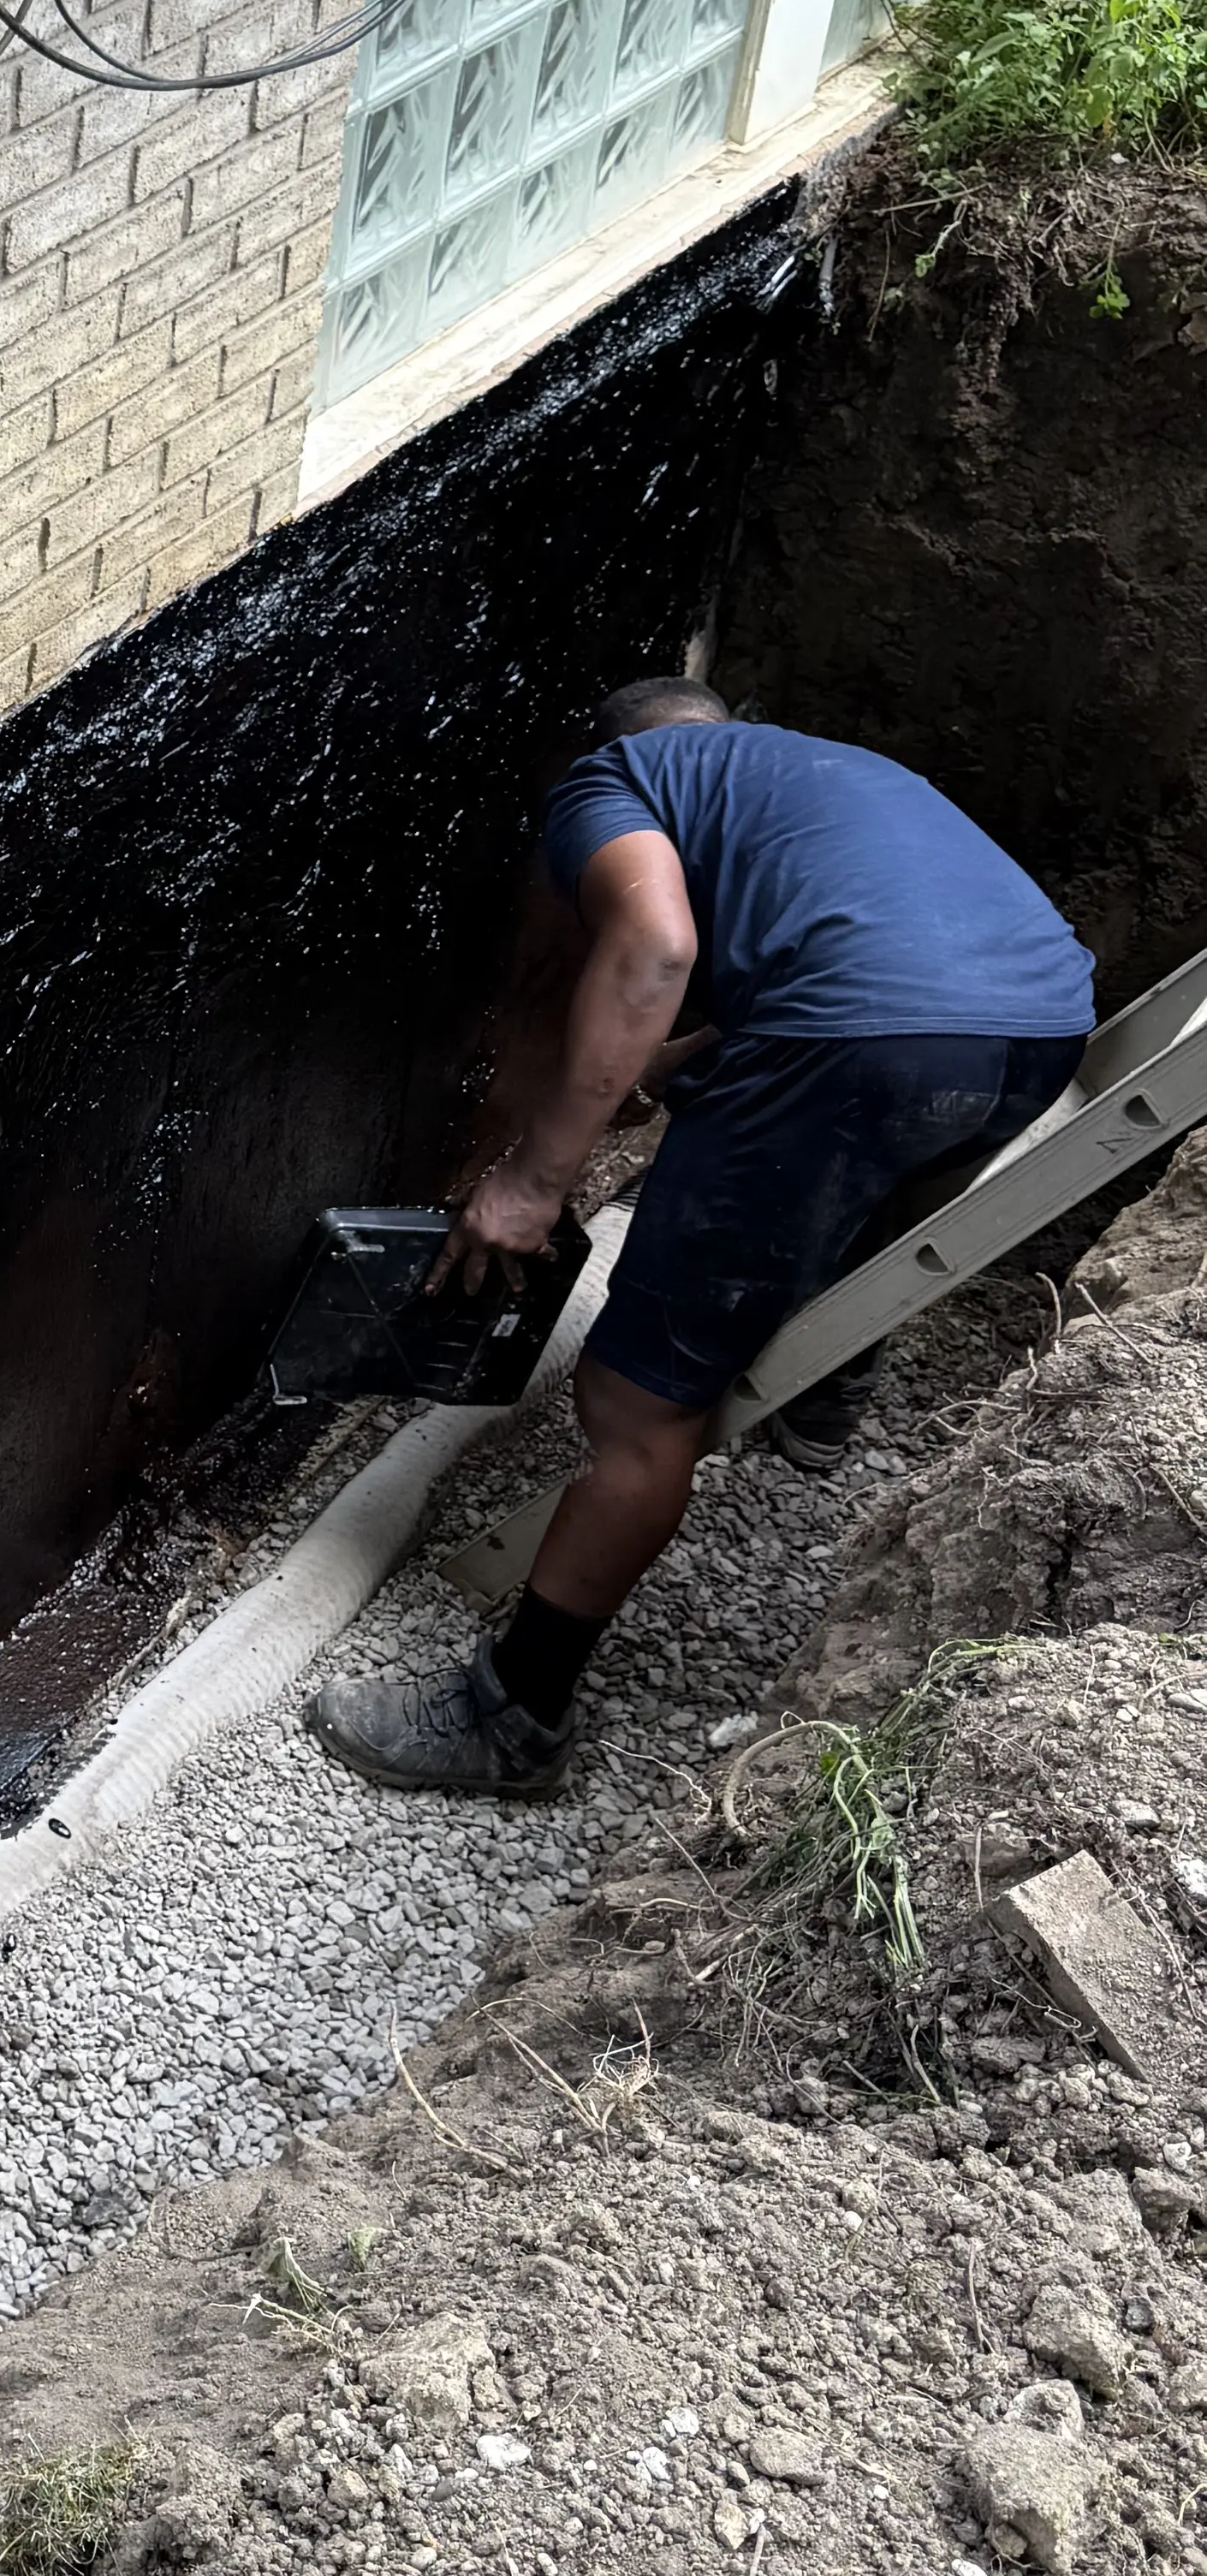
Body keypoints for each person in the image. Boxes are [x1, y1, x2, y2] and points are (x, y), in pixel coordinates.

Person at [310, 679, 1093, 1799]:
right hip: (1037, 1026)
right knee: (870, 1165)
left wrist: (537, 1176)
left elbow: (658, 947)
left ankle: (513, 1718)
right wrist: (666, 1069)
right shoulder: (824, 770)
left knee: (636, 1404)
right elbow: (836, 938)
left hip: (871, 1038)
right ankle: (828, 1398)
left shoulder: (614, 780)